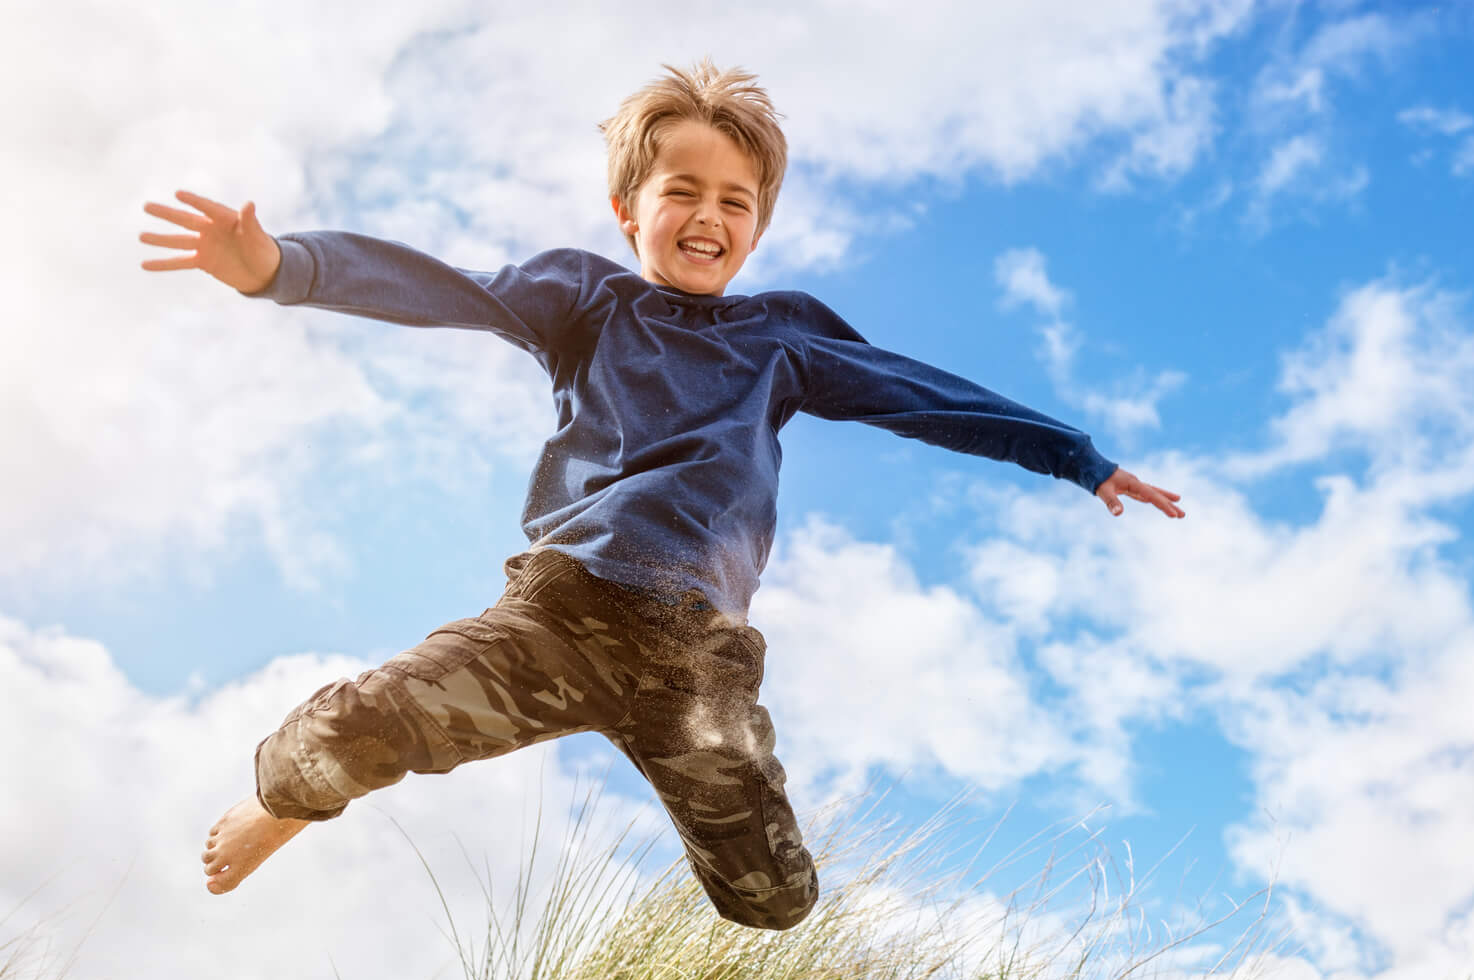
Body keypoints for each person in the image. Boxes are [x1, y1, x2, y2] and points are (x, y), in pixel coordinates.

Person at [140, 59, 1182, 928]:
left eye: (735, 201)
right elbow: (456, 290)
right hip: (559, 615)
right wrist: (284, 265)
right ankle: (284, 801)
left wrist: (1075, 455)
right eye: (681, 190)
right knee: (355, 723)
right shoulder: (587, 302)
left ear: (759, 225)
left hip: (698, 657)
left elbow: (920, 394)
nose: (706, 215)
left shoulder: (783, 334)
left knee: (774, 903)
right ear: (628, 207)